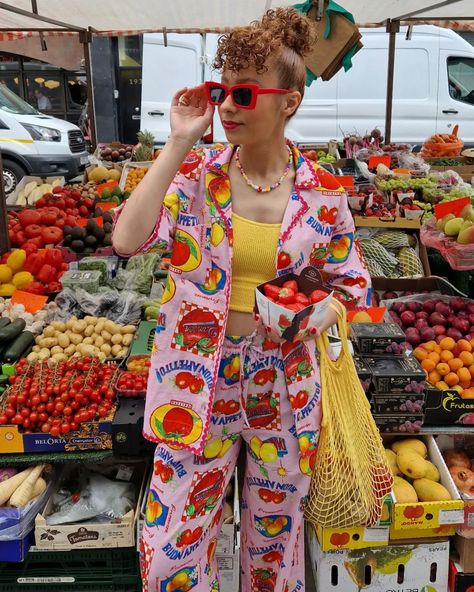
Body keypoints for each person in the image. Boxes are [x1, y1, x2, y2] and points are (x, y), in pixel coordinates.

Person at [113, 8, 370, 592]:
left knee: (274, 550)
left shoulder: (323, 196)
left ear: (290, 102)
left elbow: (351, 286)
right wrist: (178, 141)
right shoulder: (196, 174)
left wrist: (319, 311)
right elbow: (128, 240)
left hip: (283, 377)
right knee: (169, 552)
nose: (227, 106)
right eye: (221, 88)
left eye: (245, 93)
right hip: (195, 376)